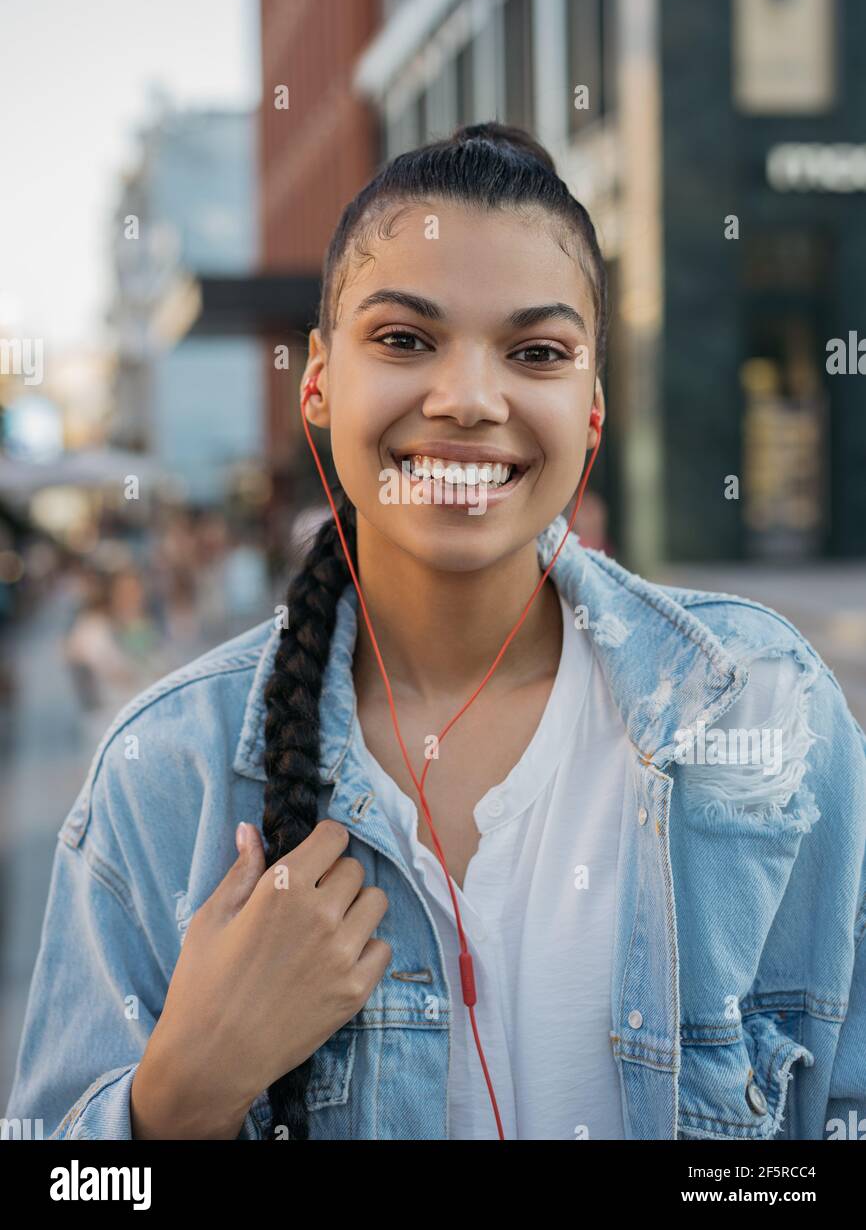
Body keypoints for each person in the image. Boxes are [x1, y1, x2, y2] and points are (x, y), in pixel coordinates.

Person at [4, 124, 865, 1142]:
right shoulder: (164, 774)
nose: (466, 398)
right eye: (405, 340)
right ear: (317, 380)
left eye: (535, 352)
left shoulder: (765, 711)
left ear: (590, 405)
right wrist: (179, 1096)